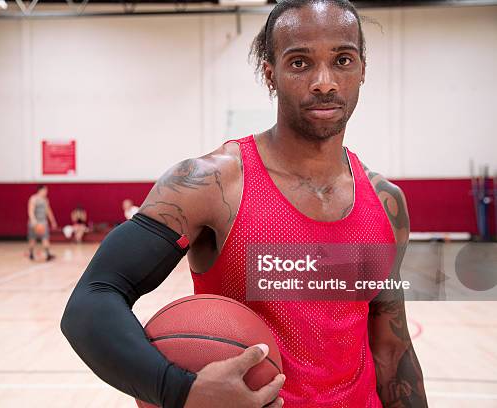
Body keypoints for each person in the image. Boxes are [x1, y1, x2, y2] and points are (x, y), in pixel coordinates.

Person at [61, 1, 427, 407]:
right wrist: (180, 390)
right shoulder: (209, 183)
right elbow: (92, 301)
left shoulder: (385, 203)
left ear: (362, 70)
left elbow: (393, 352)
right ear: (270, 73)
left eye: (343, 59)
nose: (325, 82)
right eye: (300, 62)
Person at [27, 185, 57, 261]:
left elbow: (48, 211)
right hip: (34, 222)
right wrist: (34, 222)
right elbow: (30, 210)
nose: (46, 192)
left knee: (45, 238)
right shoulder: (34, 198)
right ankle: (31, 254)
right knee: (32, 239)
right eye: (45, 190)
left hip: (43, 222)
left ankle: (47, 254)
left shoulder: (45, 200)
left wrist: (53, 221)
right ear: (40, 190)